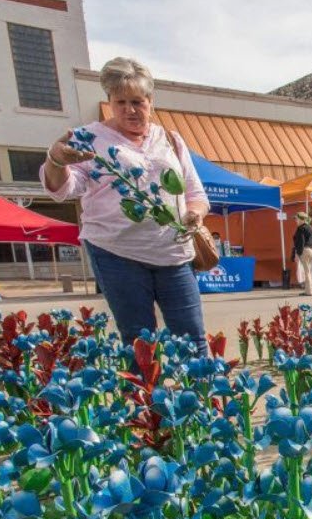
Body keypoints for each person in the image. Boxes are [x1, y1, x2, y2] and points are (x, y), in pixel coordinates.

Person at [42, 57, 209, 355]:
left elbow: (194, 192)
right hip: (117, 254)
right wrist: (56, 160)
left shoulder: (170, 139)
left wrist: (194, 214)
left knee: (193, 340)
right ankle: (147, 401)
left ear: (150, 101)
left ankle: (200, 399)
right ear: (109, 101)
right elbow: (64, 189)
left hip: (174, 254)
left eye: (137, 101)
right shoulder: (88, 138)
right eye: (121, 102)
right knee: (139, 342)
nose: (130, 110)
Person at [293, 211, 312, 295]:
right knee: (309, 270)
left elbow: (301, 242)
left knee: (306, 272)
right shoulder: (310, 227)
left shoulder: (300, 228)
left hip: (304, 250)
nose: (295, 221)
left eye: (296, 219)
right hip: (311, 250)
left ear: (301, 219)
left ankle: (308, 291)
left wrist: (297, 254)